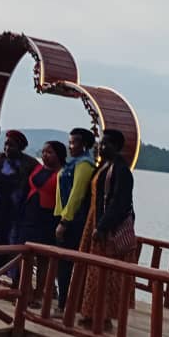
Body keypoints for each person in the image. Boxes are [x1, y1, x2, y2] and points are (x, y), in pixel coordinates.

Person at [77, 129, 137, 331]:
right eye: (101, 143)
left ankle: (103, 317)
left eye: (106, 144)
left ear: (117, 147)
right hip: (94, 221)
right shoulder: (104, 167)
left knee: (106, 274)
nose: (101, 147)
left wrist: (102, 226)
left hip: (106, 228)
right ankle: (89, 313)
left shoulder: (121, 171)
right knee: (92, 271)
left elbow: (120, 203)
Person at [0, 130, 38, 283]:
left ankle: (16, 281)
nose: (8, 148)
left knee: (14, 247)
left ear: (20, 147)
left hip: (16, 216)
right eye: (6, 144)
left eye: (12, 145)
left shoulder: (30, 165)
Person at [53, 128, 97, 311]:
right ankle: (64, 301)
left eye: (74, 142)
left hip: (74, 221)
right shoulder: (72, 163)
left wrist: (65, 221)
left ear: (84, 145)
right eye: (69, 142)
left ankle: (64, 304)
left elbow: (77, 195)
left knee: (66, 263)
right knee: (60, 263)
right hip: (62, 217)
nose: (70, 146)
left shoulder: (85, 164)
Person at [21, 140, 67, 306]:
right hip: (30, 214)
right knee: (24, 254)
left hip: (48, 217)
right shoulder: (38, 168)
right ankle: (26, 291)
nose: (45, 155)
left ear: (59, 155)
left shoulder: (63, 174)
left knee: (43, 259)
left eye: (49, 152)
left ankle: (39, 294)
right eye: (43, 151)